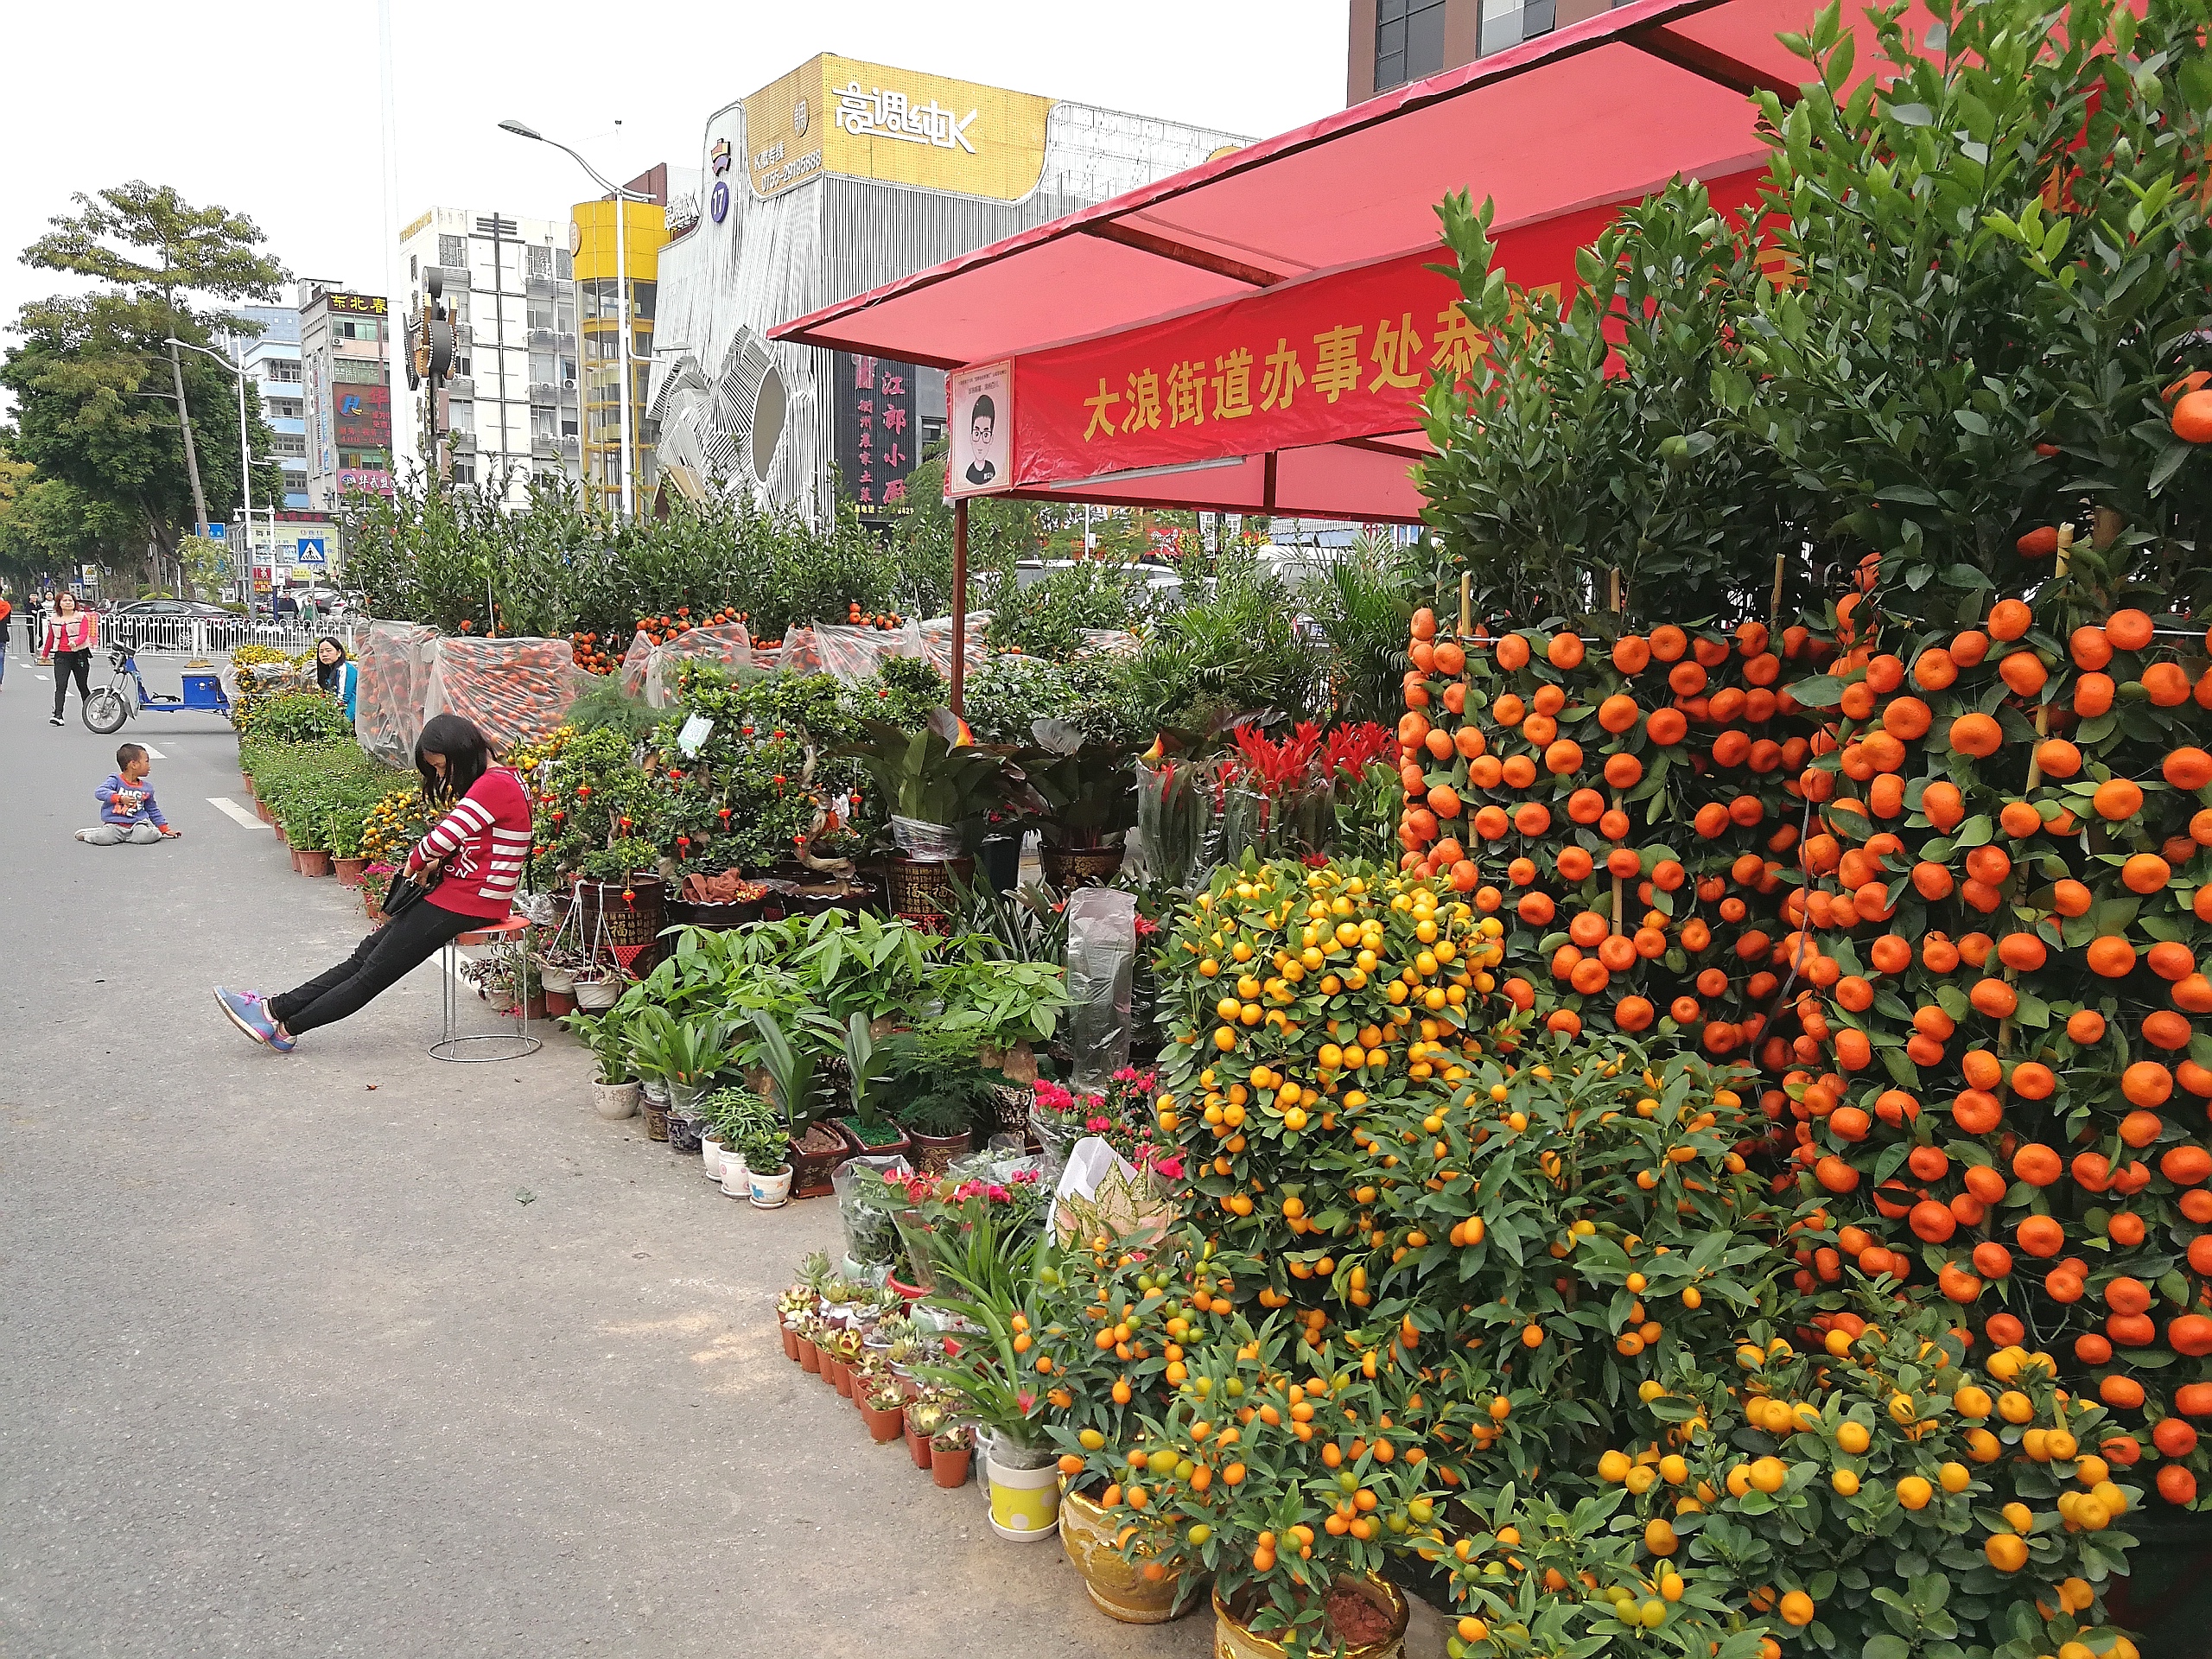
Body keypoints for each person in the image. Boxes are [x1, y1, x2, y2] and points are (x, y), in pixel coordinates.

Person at [215, 715, 531, 1052]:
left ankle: (285, 1028)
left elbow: (439, 839)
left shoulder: (493, 785)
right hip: (469, 895)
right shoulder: (507, 778)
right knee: (365, 959)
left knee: (371, 973)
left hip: (466, 900)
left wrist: (410, 871)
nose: (441, 776)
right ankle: (271, 1009)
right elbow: (487, 846)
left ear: (461, 752)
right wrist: (438, 862)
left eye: (441, 767)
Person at [76, 742, 181, 845]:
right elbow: (100, 792)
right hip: (115, 824)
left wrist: (164, 829)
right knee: (104, 839)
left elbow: (153, 810)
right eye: (146, 762)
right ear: (134, 764)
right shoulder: (116, 780)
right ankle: (88, 835)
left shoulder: (147, 788)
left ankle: (147, 831)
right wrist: (120, 798)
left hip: (137, 824)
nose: (149, 766)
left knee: (146, 837)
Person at [41, 591, 98, 726]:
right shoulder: (54, 619)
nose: (68, 603)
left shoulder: (81, 616)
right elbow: (50, 637)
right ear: (59, 603)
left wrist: (76, 642)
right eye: (65, 600)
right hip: (61, 655)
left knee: (82, 686)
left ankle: (90, 713)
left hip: (79, 654)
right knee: (61, 686)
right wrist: (44, 654)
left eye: (71, 600)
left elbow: (84, 634)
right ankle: (58, 715)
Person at [313, 635, 359, 722]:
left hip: (349, 713)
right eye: (321, 652)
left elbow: (344, 697)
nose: (324, 654)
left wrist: (332, 715)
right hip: (335, 712)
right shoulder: (328, 669)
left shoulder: (344, 668)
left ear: (339, 652)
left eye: (329, 651)